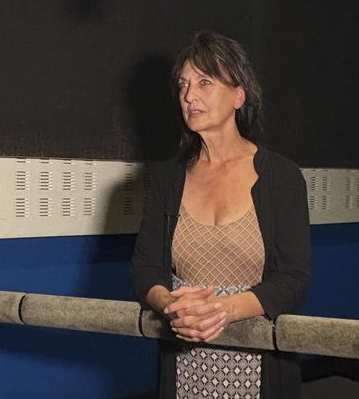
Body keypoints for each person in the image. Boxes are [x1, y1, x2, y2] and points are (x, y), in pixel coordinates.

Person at [130, 31, 311, 399]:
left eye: (204, 83)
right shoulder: (167, 179)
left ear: (238, 96)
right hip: (184, 363)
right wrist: (171, 304)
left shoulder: (281, 177)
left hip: (257, 363)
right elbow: (144, 268)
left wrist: (224, 310)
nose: (189, 95)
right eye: (183, 84)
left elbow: (294, 277)